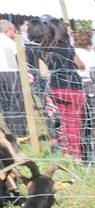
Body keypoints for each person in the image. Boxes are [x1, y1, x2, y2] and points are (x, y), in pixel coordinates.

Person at [34, 19, 85, 160]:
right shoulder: (67, 47)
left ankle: (66, 151)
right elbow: (81, 65)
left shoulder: (43, 49)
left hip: (56, 87)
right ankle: (77, 155)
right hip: (73, 87)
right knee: (75, 122)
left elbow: (43, 73)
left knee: (64, 120)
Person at [0, 20, 24, 137]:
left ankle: (9, 129)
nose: (14, 33)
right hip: (10, 72)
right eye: (13, 30)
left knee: (5, 104)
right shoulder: (8, 42)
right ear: (7, 30)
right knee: (15, 103)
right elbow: (13, 60)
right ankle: (19, 131)